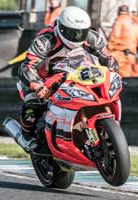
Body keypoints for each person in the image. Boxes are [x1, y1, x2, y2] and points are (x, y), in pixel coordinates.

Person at [18, 6, 119, 150]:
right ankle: (27, 137)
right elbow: (27, 67)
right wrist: (37, 85)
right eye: (72, 33)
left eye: (81, 33)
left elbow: (106, 58)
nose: (77, 36)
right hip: (43, 78)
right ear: (61, 28)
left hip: (76, 75)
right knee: (33, 107)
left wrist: (112, 66)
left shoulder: (92, 37)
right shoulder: (45, 41)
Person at [107, 4, 138, 77]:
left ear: (118, 12)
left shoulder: (119, 20)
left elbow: (114, 37)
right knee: (125, 81)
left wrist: (108, 51)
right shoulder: (134, 24)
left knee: (111, 78)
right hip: (131, 55)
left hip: (120, 55)